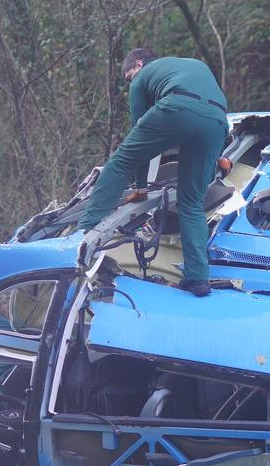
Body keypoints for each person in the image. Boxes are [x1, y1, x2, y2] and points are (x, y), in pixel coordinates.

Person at [74, 48, 229, 295]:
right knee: (191, 202)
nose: (130, 84)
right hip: (218, 120)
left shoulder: (142, 77)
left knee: (119, 163)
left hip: (177, 108)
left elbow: (140, 138)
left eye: (128, 78)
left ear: (138, 64)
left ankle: (77, 239)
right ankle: (198, 279)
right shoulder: (190, 63)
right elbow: (207, 110)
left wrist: (141, 187)